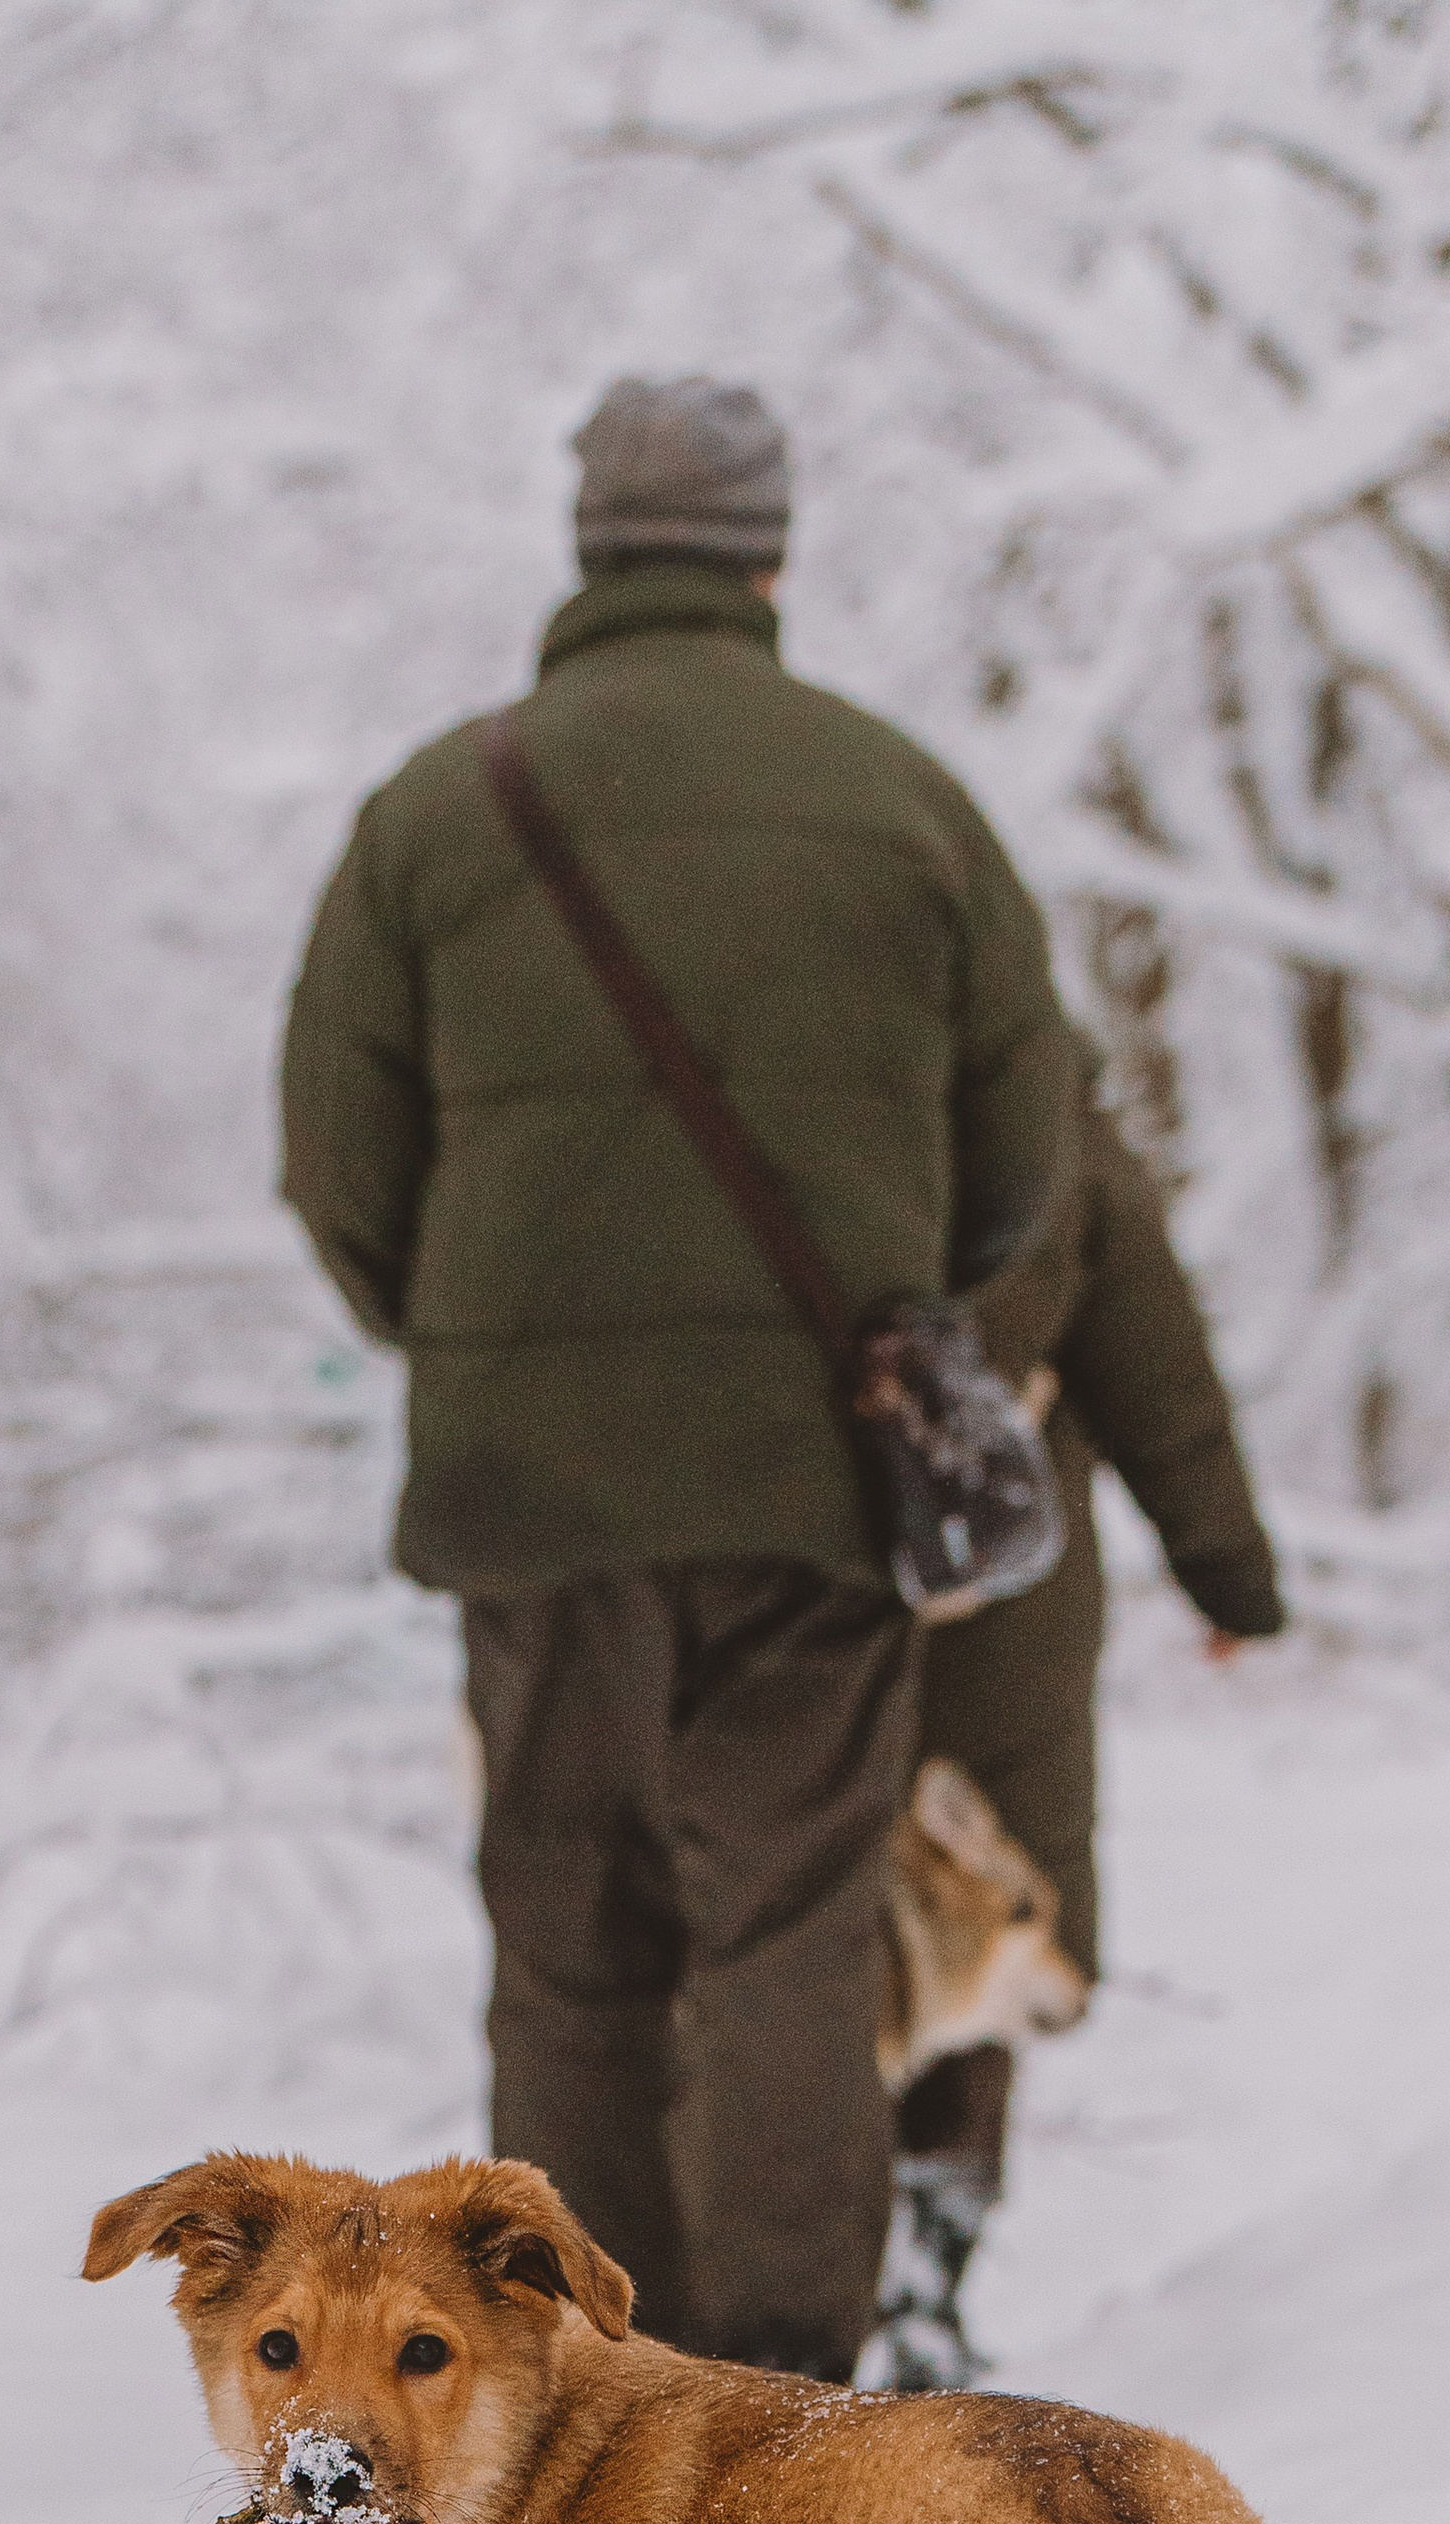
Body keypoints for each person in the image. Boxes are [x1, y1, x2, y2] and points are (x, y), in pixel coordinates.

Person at [278, 375, 1071, 2381]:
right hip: (811, 1479)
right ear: (770, 554)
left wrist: (470, 1344)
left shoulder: (438, 810)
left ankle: (565, 2382)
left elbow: (336, 1161)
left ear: (585, 547)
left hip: (524, 1489)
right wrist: (896, 1300)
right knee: (789, 1927)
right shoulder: (907, 804)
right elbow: (1016, 1167)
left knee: (567, 1936)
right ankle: (780, 2401)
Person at [867, 1040, 1286, 2389]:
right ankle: (925, 2272)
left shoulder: (786, 1085)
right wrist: (1226, 1570)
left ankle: (833, 2268)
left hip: (787, 1573)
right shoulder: (1051, 1113)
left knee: (805, 1906)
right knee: (994, 1904)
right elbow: (1153, 1358)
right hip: (1003, 1581)